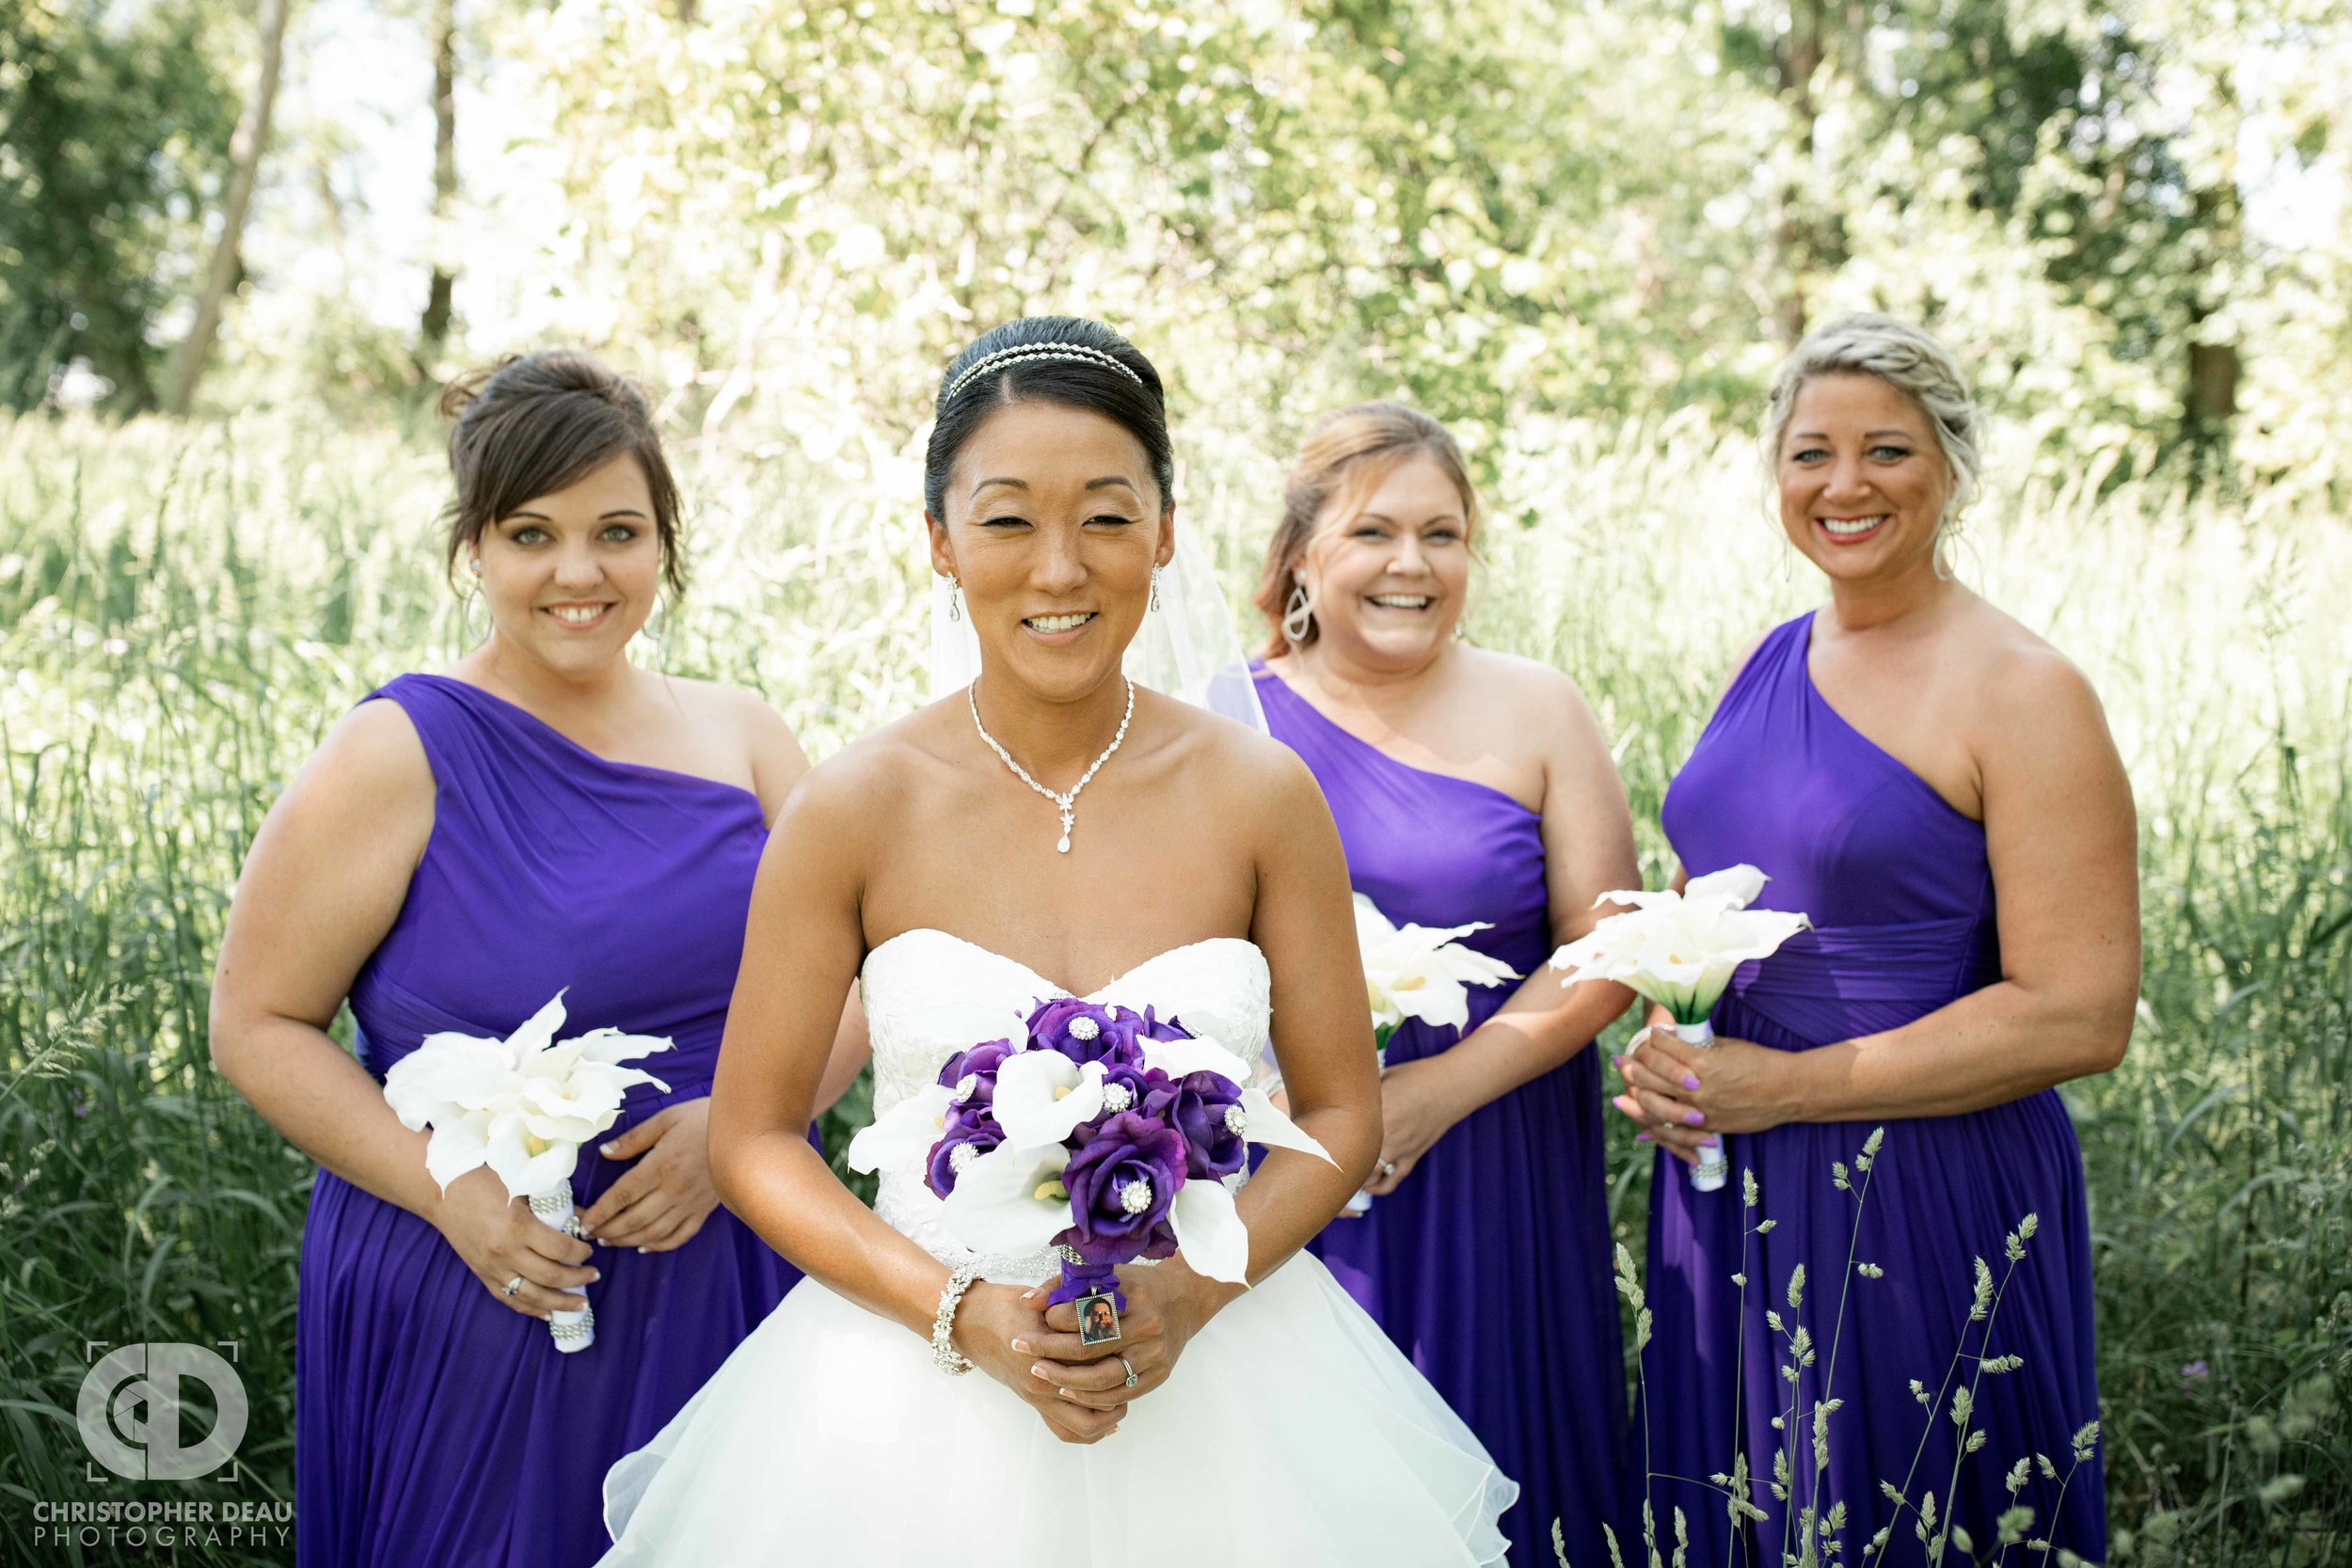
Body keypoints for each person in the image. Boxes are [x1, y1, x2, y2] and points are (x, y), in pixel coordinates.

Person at [596, 317, 1516, 1566]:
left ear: (1167, 531)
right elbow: (755, 1137)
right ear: (940, 541)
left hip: (1229, 1377)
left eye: (1105, 514)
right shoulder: (852, 808)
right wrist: (959, 1312)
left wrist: (1194, 1290)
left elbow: (1345, 1110)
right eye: (1009, 518)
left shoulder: (1263, 795)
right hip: (908, 1405)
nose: (1060, 568)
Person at [210, 351, 862, 1568]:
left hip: (725, 1259)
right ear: (475, 549)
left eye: (618, 529)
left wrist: (745, 1129)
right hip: (483, 1277)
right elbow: (255, 1023)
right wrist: (448, 1188)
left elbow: (868, 973)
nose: (579, 571)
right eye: (531, 532)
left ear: (665, 539)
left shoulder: (746, 734)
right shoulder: (395, 749)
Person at [1614, 313, 2136, 1563]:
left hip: (1917, 1177)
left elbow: (2081, 1009)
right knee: (1740, 1500)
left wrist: (1786, 1090)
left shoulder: (2022, 688)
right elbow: (1711, 887)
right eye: (1811, 453)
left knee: (1907, 1507)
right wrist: (1665, 1036)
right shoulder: (1769, 656)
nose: (1844, 485)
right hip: (1728, 1165)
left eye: (1887, 450)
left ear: (1951, 468)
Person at [1248, 403, 1639, 1565]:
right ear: (1305, 555)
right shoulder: (1222, 718)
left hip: (1495, 1156)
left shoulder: (1537, 705)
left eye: (1443, 533)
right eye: (1374, 532)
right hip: (1288, 1165)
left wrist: (1433, 1094)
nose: (1411, 563)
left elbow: (1604, 944)